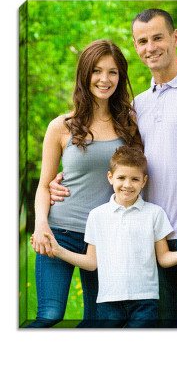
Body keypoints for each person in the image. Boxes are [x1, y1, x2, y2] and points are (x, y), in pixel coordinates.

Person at [50, 9, 177, 328]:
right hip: (154, 236)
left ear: (175, 38)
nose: (150, 46)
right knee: (165, 325)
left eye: (158, 37)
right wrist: (61, 180)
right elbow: (122, 165)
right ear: (136, 48)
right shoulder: (138, 107)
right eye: (142, 41)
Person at [28, 39, 141, 327]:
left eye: (113, 72)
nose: (105, 79)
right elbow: (44, 185)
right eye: (97, 71)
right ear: (85, 74)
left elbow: (136, 177)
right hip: (60, 232)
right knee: (49, 315)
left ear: (121, 76)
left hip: (106, 237)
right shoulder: (61, 126)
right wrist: (41, 224)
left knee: (102, 321)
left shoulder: (129, 125)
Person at [41, 146, 177, 328]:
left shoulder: (155, 213)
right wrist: (58, 250)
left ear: (144, 181)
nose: (127, 185)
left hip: (145, 302)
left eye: (135, 179)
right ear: (110, 177)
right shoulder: (97, 215)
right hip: (108, 301)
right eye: (121, 178)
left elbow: (164, 258)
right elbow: (91, 262)